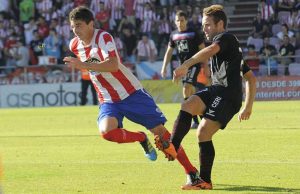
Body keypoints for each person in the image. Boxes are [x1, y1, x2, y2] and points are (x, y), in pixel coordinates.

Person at [63, 6, 200, 188]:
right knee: (107, 132)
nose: (75, 30)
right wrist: (41, 46)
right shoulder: (74, 44)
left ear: (91, 24)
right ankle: (141, 138)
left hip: (131, 93)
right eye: (73, 27)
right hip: (108, 99)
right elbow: (49, 47)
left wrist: (83, 64)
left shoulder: (103, 38)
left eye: (79, 25)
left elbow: (113, 65)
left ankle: (192, 173)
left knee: (163, 137)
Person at [155, 5, 257, 190]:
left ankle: (205, 180)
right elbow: (250, 77)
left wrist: (186, 64)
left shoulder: (225, 38)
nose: (204, 29)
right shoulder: (231, 50)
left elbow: (211, 51)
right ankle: (173, 146)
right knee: (188, 103)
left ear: (220, 24)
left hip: (228, 96)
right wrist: (248, 106)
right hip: (216, 90)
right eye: (203, 25)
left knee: (203, 133)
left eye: (208, 25)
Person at [160, 10, 207, 129]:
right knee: (190, 92)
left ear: (186, 21)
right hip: (183, 67)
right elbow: (169, 52)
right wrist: (164, 66)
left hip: (194, 65)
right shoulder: (174, 35)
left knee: (187, 89)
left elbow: (203, 50)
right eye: (177, 20)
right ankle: (201, 117)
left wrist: (206, 66)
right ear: (175, 22)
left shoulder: (193, 33)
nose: (180, 23)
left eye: (182, 20)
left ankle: (195, 120)